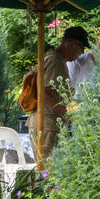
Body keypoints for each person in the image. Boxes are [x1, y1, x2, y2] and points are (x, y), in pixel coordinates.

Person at [39, 27, 87, 158]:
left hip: (52, 124)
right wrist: (68, 113)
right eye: (81, 49)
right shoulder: (55, 60)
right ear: (70, 44)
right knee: (49, 171)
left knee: (52, 172)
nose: (81, 54)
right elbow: (44, 94)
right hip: (48, 124)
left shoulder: (58, 60)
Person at [64, 26, 96, 92]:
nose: (82, 52)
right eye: (82, 48)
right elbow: (69, 92)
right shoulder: (73, 62)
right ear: (72, 45)